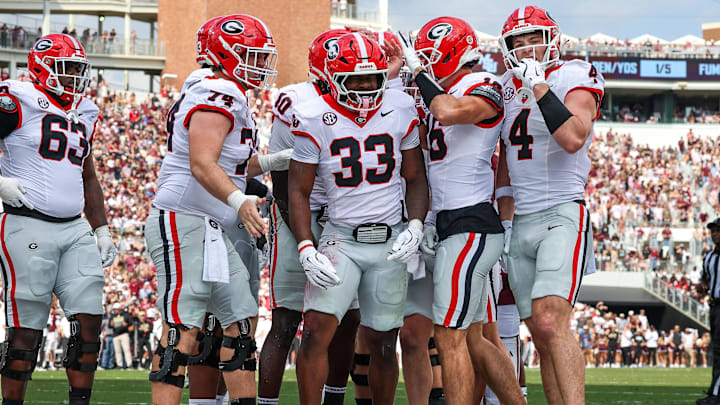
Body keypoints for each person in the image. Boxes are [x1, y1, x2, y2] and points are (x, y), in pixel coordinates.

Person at [144, 14, 288, 405]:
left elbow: (231, 165)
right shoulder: (217, 91)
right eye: (251, 55)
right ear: (224, 54)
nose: (260, 65)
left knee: (240, 325)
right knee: (182, 329)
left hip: (209, 224)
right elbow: (202, 163)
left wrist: (272, 162)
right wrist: (239, 200)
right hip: (184, 217)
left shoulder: (226, 92)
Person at [289, 32, 428, 404]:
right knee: (317, 330)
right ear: (333, 77)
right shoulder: (313, 116)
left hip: (389, 239)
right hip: (341, 238)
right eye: (356, 78)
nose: (367, 86)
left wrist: (415, 225)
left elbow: (415, 178)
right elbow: (298, 191)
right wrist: (305, 245)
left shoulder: (399, 107)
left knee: (384, 341)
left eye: (373, 77)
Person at [398, 16, 524, 405]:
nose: (429, 65)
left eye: (432, 58)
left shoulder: (483, 85)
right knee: (476, 336)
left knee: (449, 336)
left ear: (455, 53)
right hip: (450, 222)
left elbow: (450, 111)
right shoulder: (443, 89)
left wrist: (418, 73)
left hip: (470, 223)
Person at [0, 33, 118, 405]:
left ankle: (79, 402)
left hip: (74, 228)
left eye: (77, 70)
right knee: (26, 333)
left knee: (90, 326)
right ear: (42, 67)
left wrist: (101, 228)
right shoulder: (15, 96)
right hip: (26, 222)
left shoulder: (85, 110)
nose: (73, 78)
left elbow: (88, 174)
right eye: (66, 69)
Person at [495, 6, 604, 404]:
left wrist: (539, 87)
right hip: (520, 218)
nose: (525, 49)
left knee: (550, 319)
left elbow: (574, 137)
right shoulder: (505, 86)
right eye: (517, 42)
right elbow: (505, 158)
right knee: (538, 332)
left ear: (552, 39)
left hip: (562, 209)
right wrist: (505, 220)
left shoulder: (574, 74)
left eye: (533, 38)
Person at [259, 28, 362, 405]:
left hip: (343, 218)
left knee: (348, 319)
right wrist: (304, 239)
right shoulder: (295, 101)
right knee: (285, 320)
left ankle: (333, 398)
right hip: (295, 213)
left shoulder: (361, 100)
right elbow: (283, 180)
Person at [110, 303, 133, 369]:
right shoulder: (113, 316)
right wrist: (111, 324)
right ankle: (119, 365)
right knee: (117, 351)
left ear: (119, 309)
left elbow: (131, 324)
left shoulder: (125, 315)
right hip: (116, 335)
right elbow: (109, 325)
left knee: (127, 350)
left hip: (124, 334)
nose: (115, 311)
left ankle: (129, 364)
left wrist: (126, 325)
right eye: (114, 309)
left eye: (116, 309)